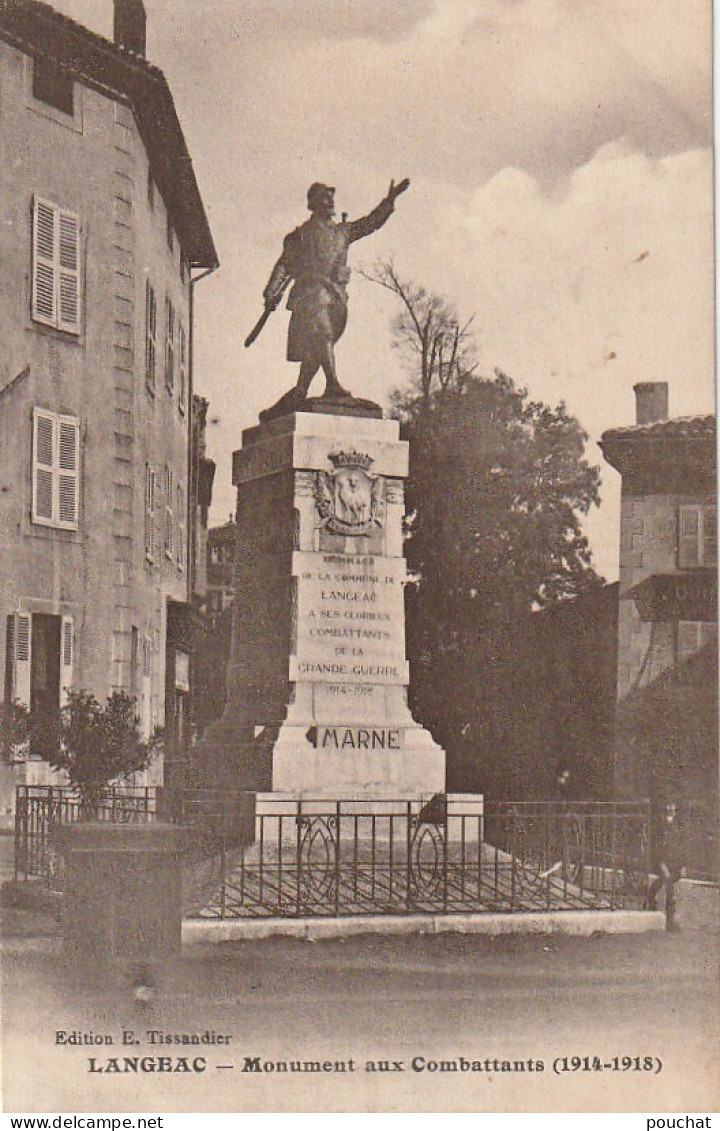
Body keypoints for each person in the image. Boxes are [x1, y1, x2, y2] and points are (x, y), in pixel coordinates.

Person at [262, 178, 410, 401]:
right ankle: (332, 384)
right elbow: (284, 264)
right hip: (310, 293)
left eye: (331, 198)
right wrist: (271, 291)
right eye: (323, 198)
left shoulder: (343, 232)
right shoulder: (300, 235)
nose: (329, 202)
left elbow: (371, 223)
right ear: (312, 204)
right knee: (322, 334)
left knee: (319, 345)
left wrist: (389, 201)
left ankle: (300, 390)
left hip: (336, 296)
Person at [647, 802, 685, 930]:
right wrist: (662, 864)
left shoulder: (679, 825)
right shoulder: (659, 825)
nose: (670, 809)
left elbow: (682, 846)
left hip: (674, 861)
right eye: (668, 806)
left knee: (665, 882)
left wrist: (683, 865)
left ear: (675, 808)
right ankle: (670, 921)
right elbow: (656, 846)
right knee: (669, 885)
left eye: (673, 806)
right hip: (661, 861)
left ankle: (651, 895)